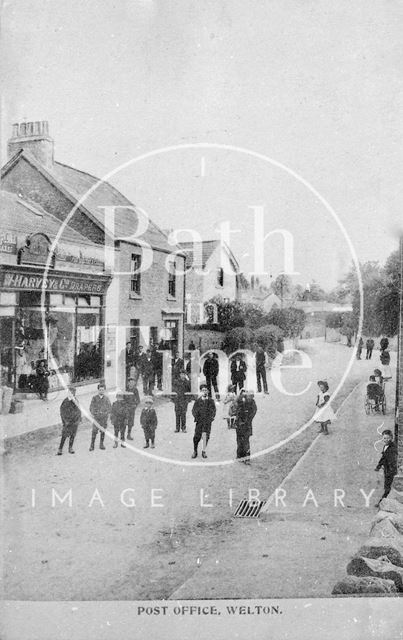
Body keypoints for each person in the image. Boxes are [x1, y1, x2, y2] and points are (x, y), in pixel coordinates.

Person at [191, 384, 216, 459]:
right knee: (196, 437)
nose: (204, 392)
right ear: (201, 392)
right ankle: (195, 451)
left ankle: (203, 451)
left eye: (205, 390)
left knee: (205, 437)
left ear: (208, 391)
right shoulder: (198, 401)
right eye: (203, 390)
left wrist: (211, 418)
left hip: (207, 422)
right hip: (199, 422)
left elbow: (213, 410)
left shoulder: (210, 401)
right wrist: (196, 417)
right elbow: (193, 410)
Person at [375, 430, 398, 506]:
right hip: (387, 470)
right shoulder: (385, 446)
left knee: (388, 487)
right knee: (387, 487)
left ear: (391, 438)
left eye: (388, 438)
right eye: (384, 438)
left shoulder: (393, 447)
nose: (386, 440)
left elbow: (393, 460)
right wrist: (379, 466)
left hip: (391, 470)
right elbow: (383, 457)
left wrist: (390, 470)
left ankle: (382, 503)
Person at [235, 389, 257, 464]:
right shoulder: (242, 400)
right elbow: (237, 403)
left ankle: (246, 457)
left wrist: (247, 420)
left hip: (246, 425)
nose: (250, 397)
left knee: (246, 441)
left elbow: (253, 412)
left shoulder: (252, 403)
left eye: (251, 396)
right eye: (249, 395)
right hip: (240, 424)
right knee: (239, 440)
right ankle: (240, 456)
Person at [57, 387, 81, 455]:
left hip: (74, 421)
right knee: (64, 435)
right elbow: (62, 412)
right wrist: (64, 421)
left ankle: (70, 448)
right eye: (70, 393)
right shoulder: (65, 401)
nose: (72, 394)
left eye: (73, 393)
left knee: (73, 435)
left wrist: (78, 420)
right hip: (67, 422)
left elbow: (79, 410)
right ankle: (60, 449)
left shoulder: (76, 401)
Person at [89, 382, 111, 451]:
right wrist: (95, 413)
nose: (101, 391)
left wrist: (106, 414)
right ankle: (92, 445)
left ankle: (101, 444)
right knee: (94, 431)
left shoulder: (106, 398)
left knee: (103, 431)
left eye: (103, 390)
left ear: (104, 390)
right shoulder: (94, 398)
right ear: (98, 390)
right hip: (97, 418)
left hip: (104, 418)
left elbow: (109, 408)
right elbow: (91, 407)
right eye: (100, 390)